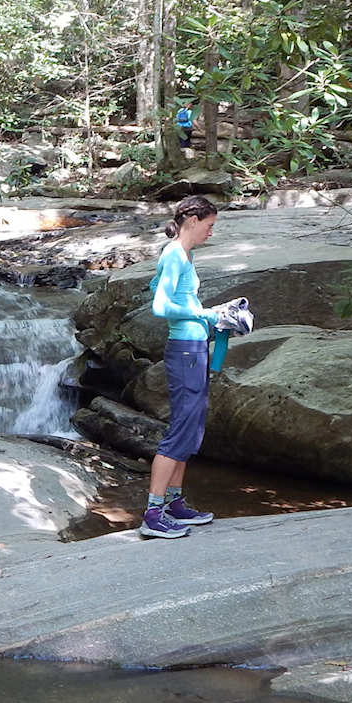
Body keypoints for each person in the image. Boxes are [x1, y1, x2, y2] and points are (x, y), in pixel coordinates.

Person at [141, 195, 220, 539]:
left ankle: (174, 504)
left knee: (191, 429)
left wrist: (216, 320)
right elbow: (159, 305)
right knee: (180, 430)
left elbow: (156, 286)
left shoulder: (184, 255)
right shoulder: (173, 254)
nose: (211, 232)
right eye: (210, 225)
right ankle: (153, 513)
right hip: (185, 350)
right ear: (192, 220)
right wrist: (203, 314)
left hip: (194, 346)